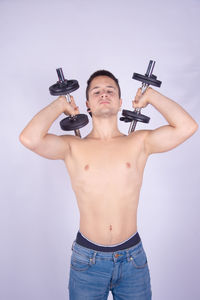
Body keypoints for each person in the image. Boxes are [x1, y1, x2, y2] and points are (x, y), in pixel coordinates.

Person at [19, 70, 198, 300]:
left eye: (110, 90)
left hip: (132, 259)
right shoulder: (72, 147)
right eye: (97, 91)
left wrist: (151, 96)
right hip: (87, 261)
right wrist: (60, 105)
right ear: (87, 105)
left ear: (120, 102)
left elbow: (187, 127)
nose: (104, 94)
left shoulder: (139, 142)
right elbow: (29, 138)